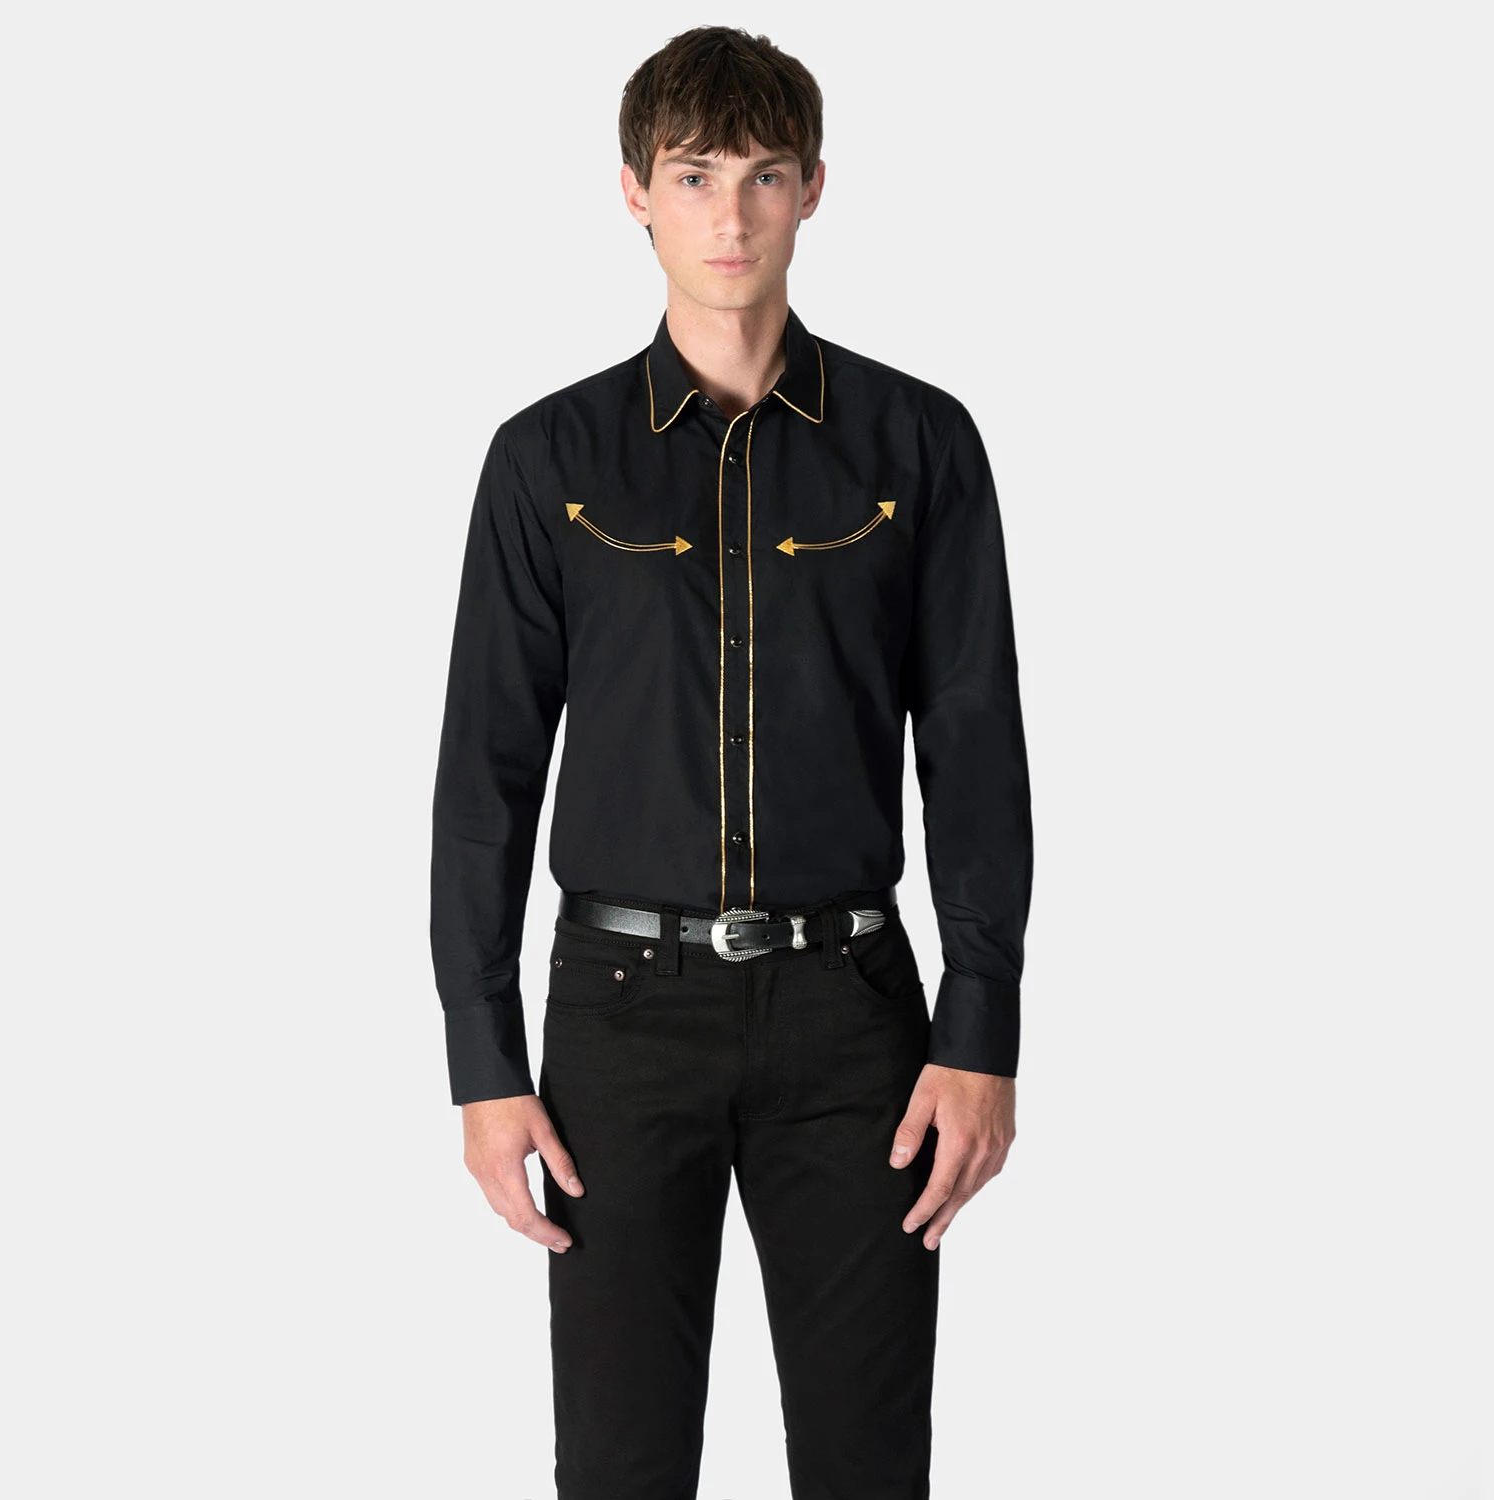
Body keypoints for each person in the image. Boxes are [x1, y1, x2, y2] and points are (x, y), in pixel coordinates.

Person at [429, 24, 1033, 1500]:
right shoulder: (548, 461)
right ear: (633, 191)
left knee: (868, 1465)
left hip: (855, 1019)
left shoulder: (920, 444)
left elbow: (976, 751)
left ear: (815, 188)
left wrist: (981, 1030)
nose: (731, 215)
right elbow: (485, 778)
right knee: (621, 1467)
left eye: (765, 174)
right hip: (620, 1022)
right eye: (695, 175)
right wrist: (483, 1062)